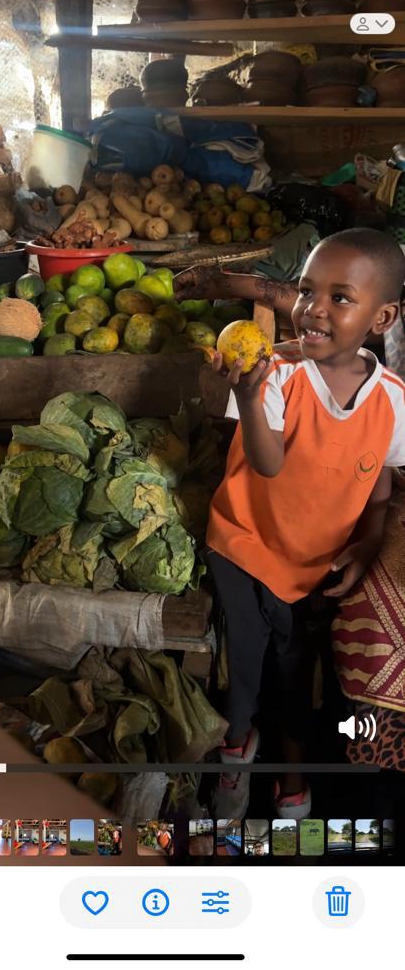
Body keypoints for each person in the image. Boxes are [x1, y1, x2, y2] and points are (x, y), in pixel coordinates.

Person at [178, 229, 405, 819]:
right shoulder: (274, 372)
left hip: (312, 561)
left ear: (382, 317)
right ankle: (235, 749)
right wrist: (250, 397)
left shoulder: (393, 401)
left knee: (296, 669)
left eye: (340, 297)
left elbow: (379, 473)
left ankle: (291, 769)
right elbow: (267, 463)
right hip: (244, 541)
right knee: (247, 659)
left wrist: (373, 536)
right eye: (306, 292)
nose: (314, 309)